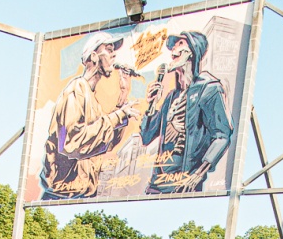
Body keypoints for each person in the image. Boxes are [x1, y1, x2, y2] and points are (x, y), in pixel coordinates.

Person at [40, 32, 134, 199]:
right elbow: (72, 144)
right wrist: (117, 116)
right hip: (61, 194)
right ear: (94, 56)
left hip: (82, 194)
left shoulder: (91, 99)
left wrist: (122, 97)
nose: (114, 55)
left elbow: (106, 143)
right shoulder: (76, 90)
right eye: (109, 49)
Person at [140, 31, 233, 195]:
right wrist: (151, 105)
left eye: (180, 43)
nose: (173, 49)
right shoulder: (171, 97)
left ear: (192, 52)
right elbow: (147, 136)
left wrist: (198, 174)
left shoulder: (208, 88)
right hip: (158, 184)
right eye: (173, 45)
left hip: (184, 184)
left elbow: (222, 136)